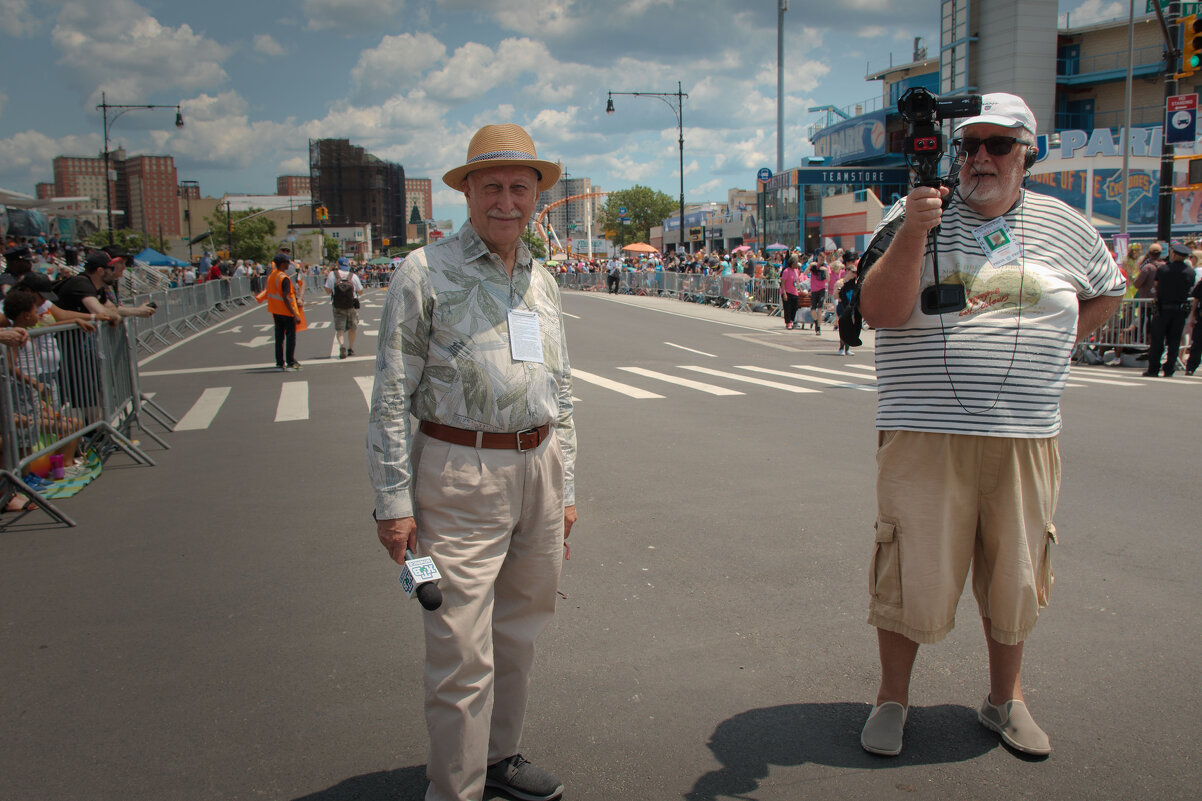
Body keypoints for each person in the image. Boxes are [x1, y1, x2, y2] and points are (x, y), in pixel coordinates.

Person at [856, 93, 1125, 758]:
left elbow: (1110, 287)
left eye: (998, 145)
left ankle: (1006, 700)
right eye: (969, 143)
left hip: (1026, 435)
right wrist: (917, 230)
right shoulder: (912, 212)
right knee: (909, 569)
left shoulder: (1066, 225)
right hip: (925, 432)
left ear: (1026, 155)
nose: (979, 157)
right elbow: (879, 311)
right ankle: (892, 697)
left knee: (1016, 573)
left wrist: (1058, 346)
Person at [367, 123, 577, 801]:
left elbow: (562, 389)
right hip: (458, 472)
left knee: (519, 630)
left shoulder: (542, 280)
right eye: (493, 186)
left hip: (538, 468)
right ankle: (453, 789)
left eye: (521, 187)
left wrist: (566, 487)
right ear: (468, 192)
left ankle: (499, 756)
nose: (508, 200)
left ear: (537, 197)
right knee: (459, 645)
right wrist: (393, 500)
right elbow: (391, 392)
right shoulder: (424, 272)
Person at [1142, 241, 1196, 377]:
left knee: (1157, 341)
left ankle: (1153, 369)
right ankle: (1169, 369)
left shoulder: (1163, 270)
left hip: (1162, 309)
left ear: (1174, 254)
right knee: (1174, 341)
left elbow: (1156, 285)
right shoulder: (1190, 272)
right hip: (1179, 310)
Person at [262, 253, 305, 371]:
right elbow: (286, 297)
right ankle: (290, 361)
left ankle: (280, 362)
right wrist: (295, 314)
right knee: (290, 337)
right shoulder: (283, 278)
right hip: (286, 311)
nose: (288, 265)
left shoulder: (272, 276)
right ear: (282, 264)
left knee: (279, 338)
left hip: (275, 310)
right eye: (287, 262)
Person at [324, 256, 363, 359]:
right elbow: (360, 290)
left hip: (338, 306)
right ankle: (350, 348)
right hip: (352, 306)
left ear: (338, 265)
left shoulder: (333, 275)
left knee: (340, 329)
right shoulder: (353, 276)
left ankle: (342, 345)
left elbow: (327, 290)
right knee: (353, 328)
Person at [780, 255, 802, 330]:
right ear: (792, 264)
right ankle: (788, 322)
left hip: (794, 291)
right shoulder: (786, 271)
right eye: (796, 263)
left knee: (795, 307)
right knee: (787, 308)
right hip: (787, 291)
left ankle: (792, 320)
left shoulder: (796, 271)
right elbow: (783, 283)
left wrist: (800, 289)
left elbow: (797, 281)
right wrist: (784, 293)